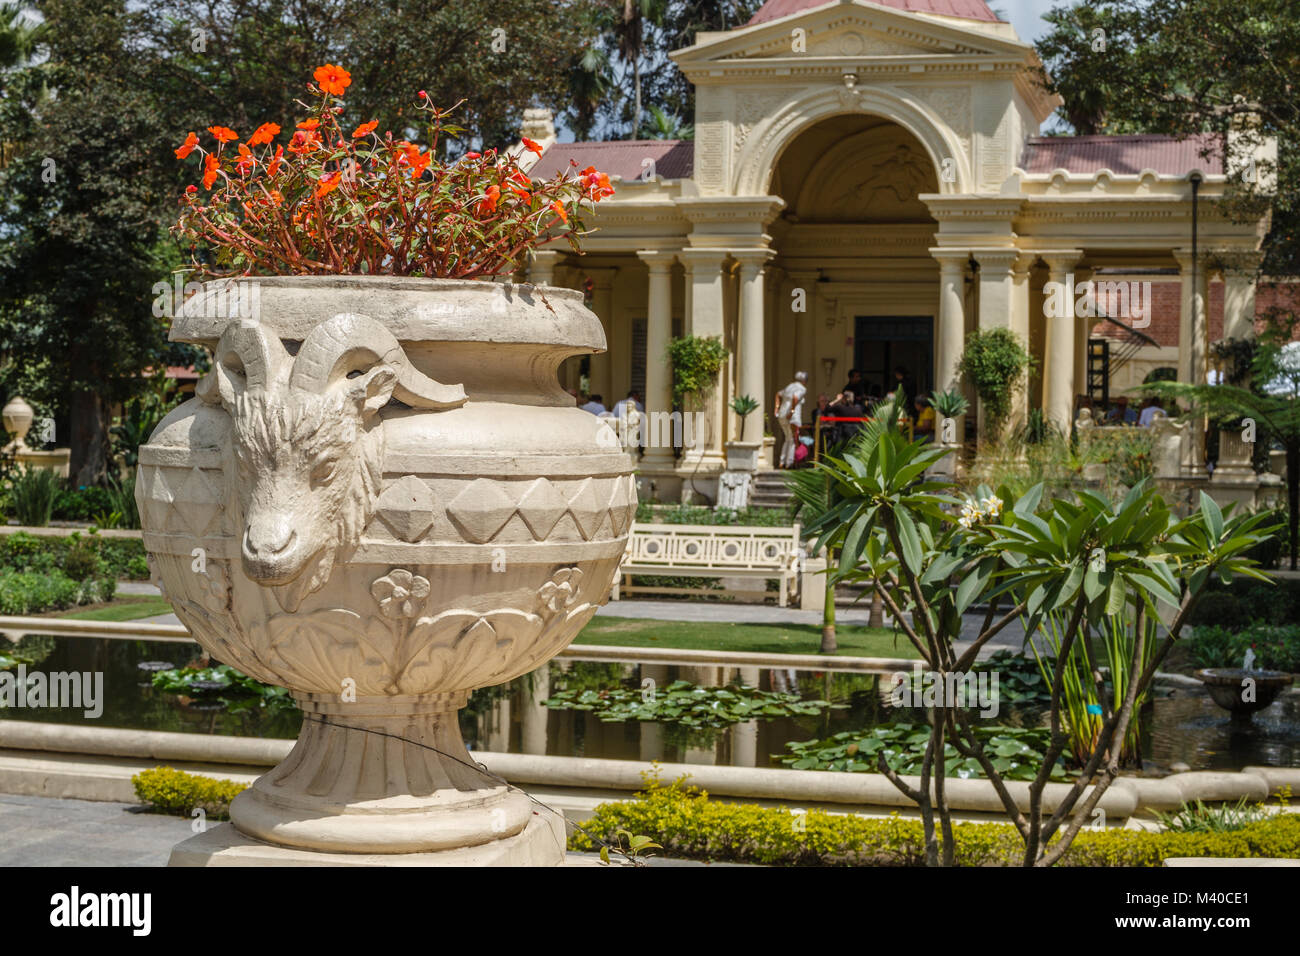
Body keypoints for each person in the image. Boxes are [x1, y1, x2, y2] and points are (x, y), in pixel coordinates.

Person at [774, 371, 808, 468]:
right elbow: (795, 397)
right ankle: (789, 463)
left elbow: (778, 394)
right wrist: (792, 411)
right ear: (804, 381)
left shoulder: (790, 386)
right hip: (792, 417)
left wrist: (777, 408)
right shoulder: (801, 388)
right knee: (793, 438)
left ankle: (782, 461)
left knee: (787, 438)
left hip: (782, 414)